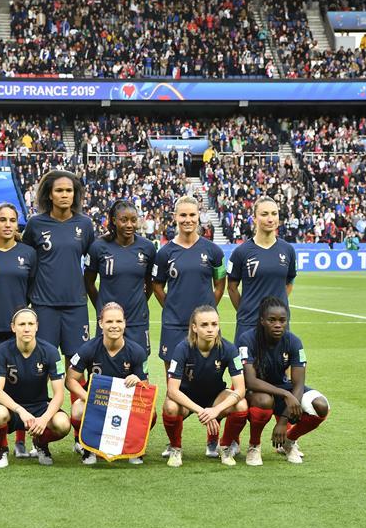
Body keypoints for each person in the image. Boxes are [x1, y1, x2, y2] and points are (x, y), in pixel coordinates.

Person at [21, 170, 95, 449]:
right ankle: (39, 435)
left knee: (77, 372)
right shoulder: (36, 225)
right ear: (49, 194)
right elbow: (24, 261)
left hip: (76, 307)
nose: (65, 195)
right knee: (41, 369)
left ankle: (80, 435)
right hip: (44, 307)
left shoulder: (84, 225)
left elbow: (94, 262)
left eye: (69, 191)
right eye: (59, 190)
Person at [152, 195, 226, 457]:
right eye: (182, 215)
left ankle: (212, 441)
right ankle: (175, 443)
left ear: (199, 217)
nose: (187, 220)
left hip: (206, 327)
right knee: (175, 386)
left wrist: (206, 312)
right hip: (173, 326)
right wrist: (170, 306)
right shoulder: (165, 253)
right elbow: (157, 285)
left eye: (192, 215)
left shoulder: (213, 251)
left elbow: (220, 283)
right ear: (175, 217)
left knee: (212, 381)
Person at [0, 203, 38, 459]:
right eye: (3, 220)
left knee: (20, 385)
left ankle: (21, 442)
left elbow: (33, 290)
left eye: (12, 220)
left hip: (18, 331)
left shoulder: (29, 254)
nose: (8, 224)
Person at [236, 297, 330, 466]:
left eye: (282, 320)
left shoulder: (294, 341)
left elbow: (299, 383)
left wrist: (283, 421)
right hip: (255, 392)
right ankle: (254, 446)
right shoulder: (247, 339)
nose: (278, 325)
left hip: (282, 388)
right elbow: (250, 381)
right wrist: (286, 394)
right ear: (262, 321)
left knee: (321, 406)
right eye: (272, 320)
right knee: (264, 400)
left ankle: (289, 441)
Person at [162, 306, 248, 468]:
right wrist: (201, 411)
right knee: (170, 406)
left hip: (215, 397)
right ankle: (175, 448)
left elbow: (240, 389)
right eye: (204, 325)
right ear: (194, 327)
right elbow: (172, 390)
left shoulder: (229, 349)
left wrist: (215, 410)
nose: (210, 329)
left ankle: (225, 447)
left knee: (241, 405)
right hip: (187, 397)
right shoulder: (182, 348)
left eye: (214, 324)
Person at [66, 302, 150, 465]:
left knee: (150, 412)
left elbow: (145, 388)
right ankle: (88, 446)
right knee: (77, 409)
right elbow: (70, 380)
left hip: (123, 403)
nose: (114, 326)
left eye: (118, 322)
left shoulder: (137, 351)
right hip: (98, 401)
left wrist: (138, 381)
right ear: (101, 323)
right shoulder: (88, 348)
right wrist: (87, 397)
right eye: (109, 322)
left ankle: (132, 449)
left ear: (125, 323)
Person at [0, 308, 71, 468]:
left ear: (37, 326)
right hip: (11, 407)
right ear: (13, 327)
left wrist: (44, 419)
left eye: (30, 324)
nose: (26, 328)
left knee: (62, 424)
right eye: (22, 324)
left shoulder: (51, 352)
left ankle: (41, 443)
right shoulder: (3, 350)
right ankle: (2, 449)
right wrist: (20, 410)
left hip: (39, 406)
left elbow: (59, 394)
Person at [84, 199, 157, 355]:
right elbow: (88, 282)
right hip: (109, 320)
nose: (129, 225)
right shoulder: (99, 247)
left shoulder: (148, 248)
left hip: (137, 320)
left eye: (133, 220)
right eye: (124, 220)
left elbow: (150, 282)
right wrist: (102, 307)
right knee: (107, 365)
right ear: (114, 220)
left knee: (139, 369)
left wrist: (141, 301)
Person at [227, 195, 297, 341]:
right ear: (254, 218)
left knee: (280, 364)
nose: (270, 219)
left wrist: (276, 308)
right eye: (264, 214)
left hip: (278, 325)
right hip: (248, 324)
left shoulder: (288, 250)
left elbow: (289, 283)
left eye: (274, 213)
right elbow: (232, 287)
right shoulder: (241, 252)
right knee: (246, 364)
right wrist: (245, 310)